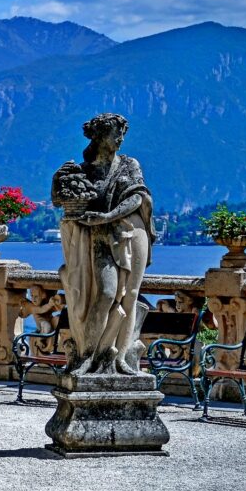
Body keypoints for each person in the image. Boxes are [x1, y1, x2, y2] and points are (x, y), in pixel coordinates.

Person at [52, 113, 156, 375]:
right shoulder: (84, 171)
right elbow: (60, 202)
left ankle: (120, 358)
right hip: (99, 237)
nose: (120, 138)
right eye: (115, 133)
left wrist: (108, 216)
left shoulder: (129, 164)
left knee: (130, 295)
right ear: (99, 136)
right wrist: (57, 182)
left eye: (122, 133)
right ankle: (88, 355)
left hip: (133, 231)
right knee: (107, 293)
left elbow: (138, 197)